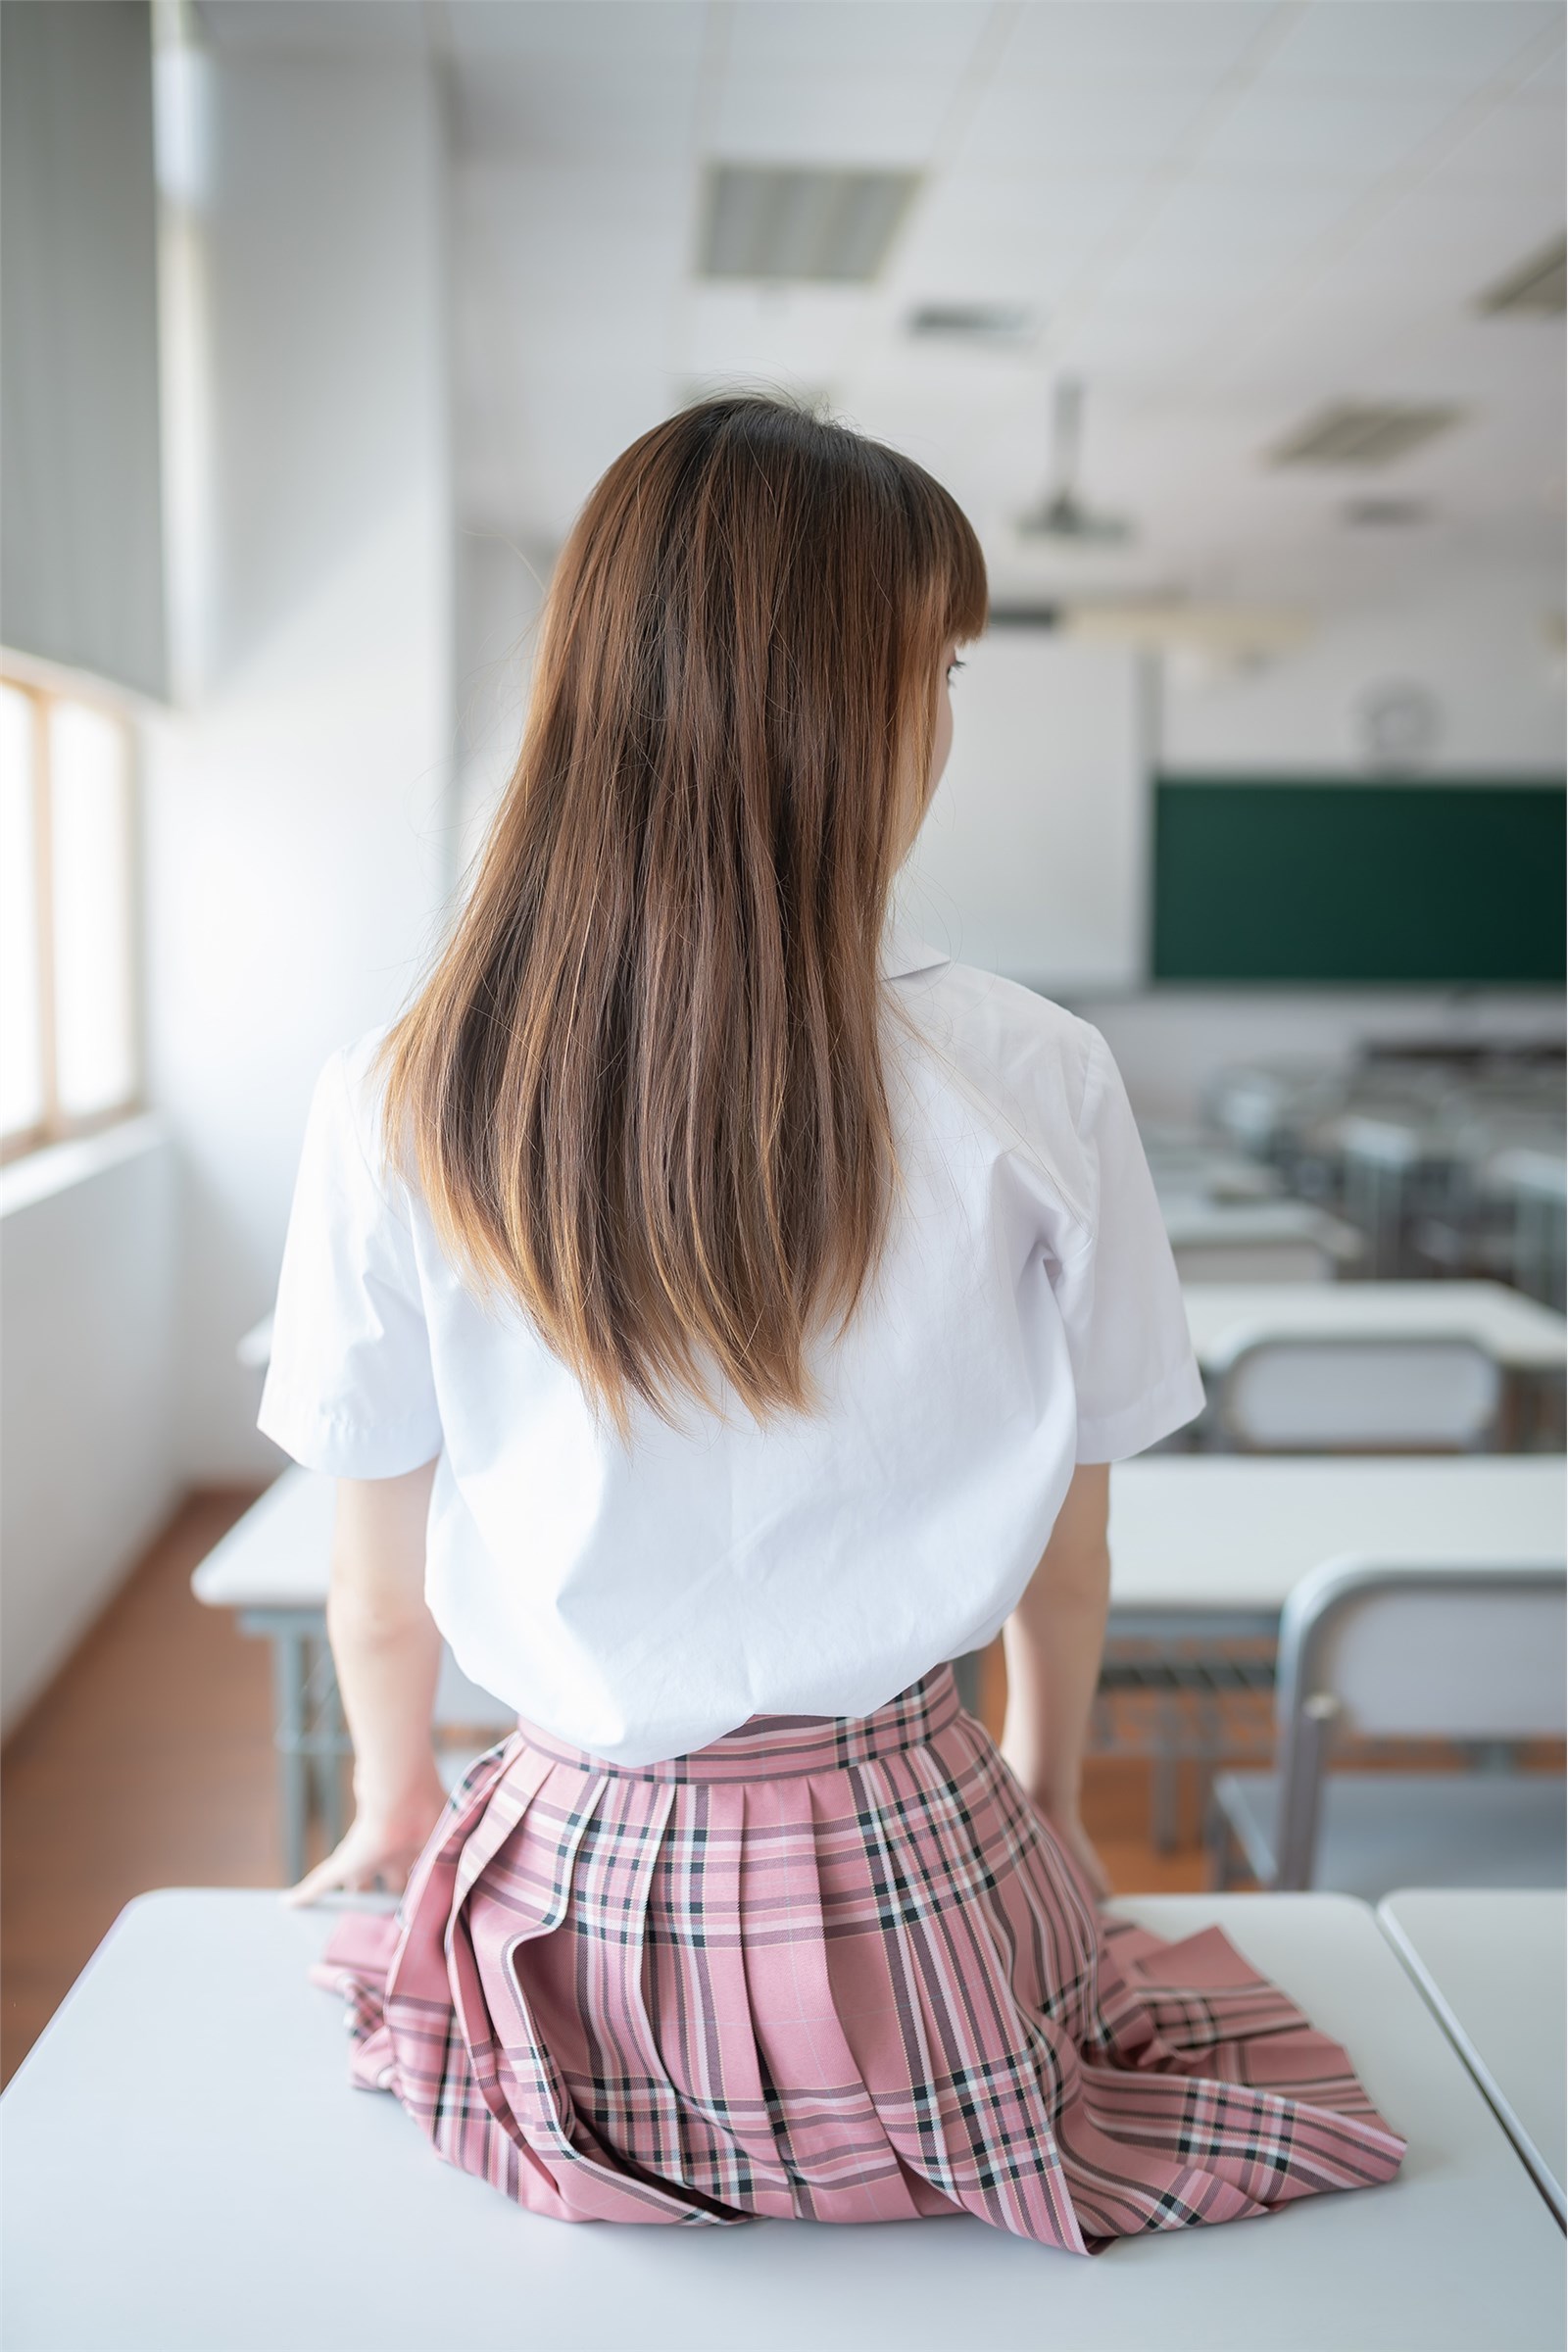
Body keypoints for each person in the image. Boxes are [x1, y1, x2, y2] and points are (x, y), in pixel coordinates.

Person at [257, 393, 1404, 2249]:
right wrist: (1041, 1804)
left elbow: (378, 1596)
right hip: (919, 1905)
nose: (944, 717)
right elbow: (1070, 1549)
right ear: (842, 704)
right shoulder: (1042, 1072)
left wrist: (399, 1812)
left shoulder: (405, 1087)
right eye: (934, 665)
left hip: (567, 1930)